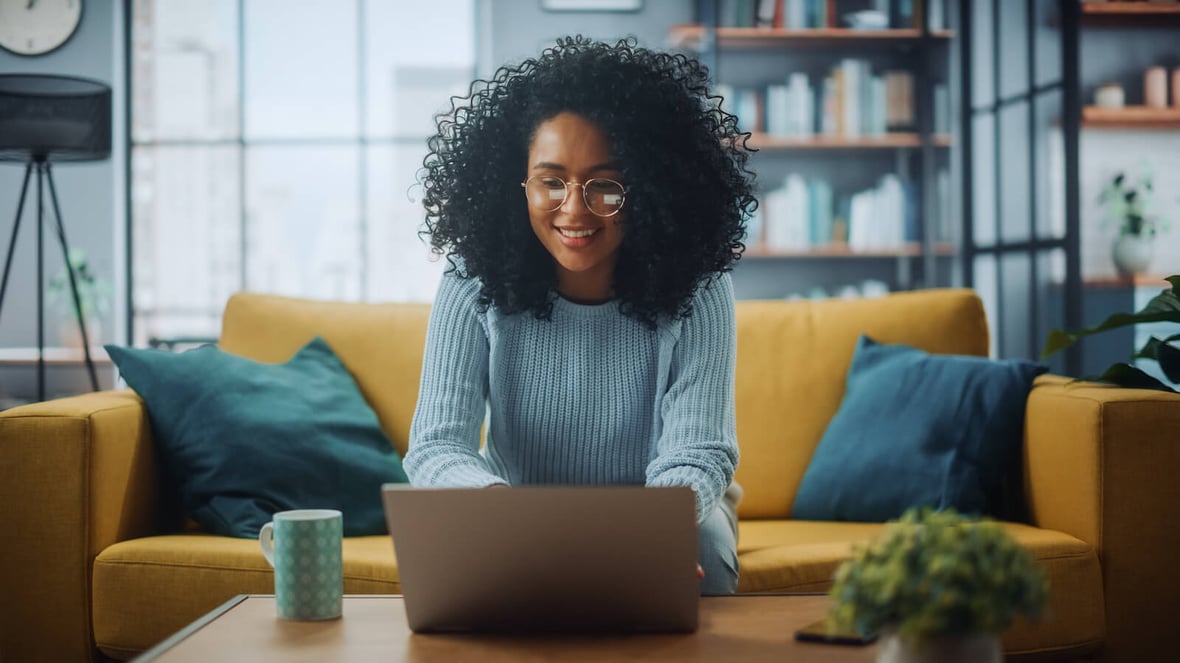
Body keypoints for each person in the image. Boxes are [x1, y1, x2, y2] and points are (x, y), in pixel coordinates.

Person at [404, 35, 756, 595]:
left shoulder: (700, 285)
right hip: (514, 512)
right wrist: (503, 514)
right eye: (551, 181)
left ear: (653, 187)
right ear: (516, 184)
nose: (575, 208)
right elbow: (436, 447)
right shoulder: (471, 278)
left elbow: (699, 450)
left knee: (704, 566)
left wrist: (643, 531)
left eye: (606, 185)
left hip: (661, 509)